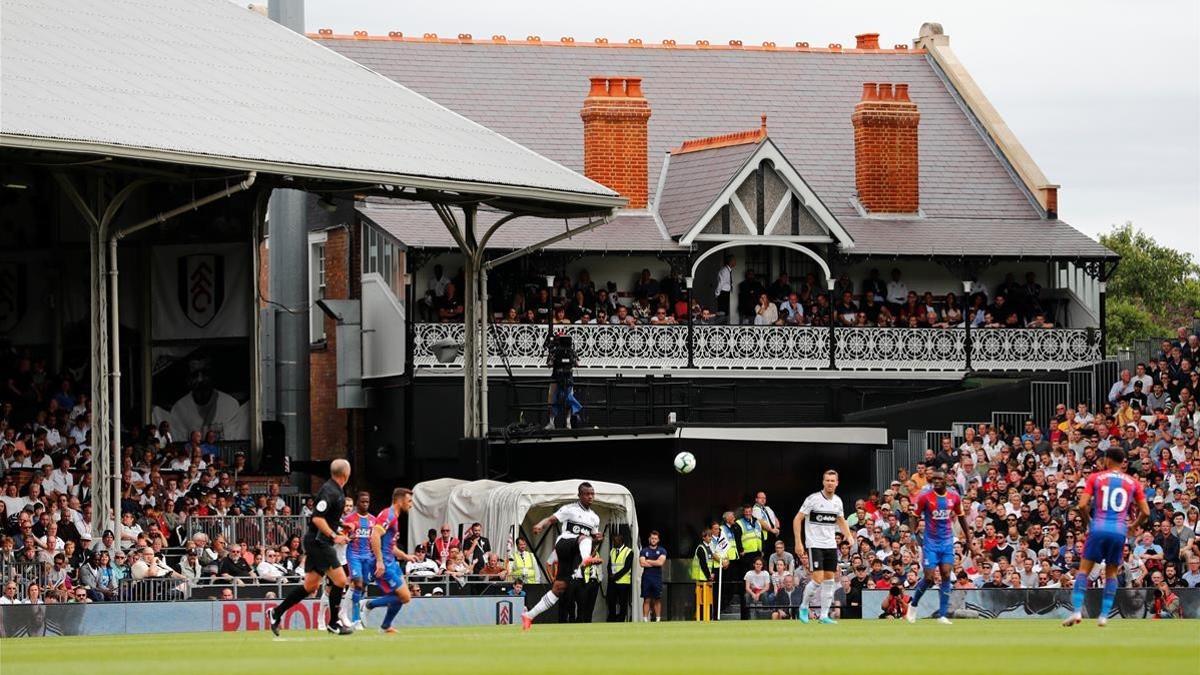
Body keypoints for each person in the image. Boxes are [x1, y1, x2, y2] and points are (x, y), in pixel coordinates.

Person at [1063, 447, 1150, 627]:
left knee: (1083, 571)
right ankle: (1103, 616)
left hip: (1099, 527)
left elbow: (1081, 505)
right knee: (1111, 573)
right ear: (1122, 462)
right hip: (1119, 531)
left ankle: (1077, 611)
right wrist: (1133, 526)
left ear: (1107, 460)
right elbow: (1146, 512)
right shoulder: (1133, 482)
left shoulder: (1095, 477)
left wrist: (1090, 523)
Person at [269, 458, 354, 636]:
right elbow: (317, 518)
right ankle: (333, 623)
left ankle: (276, 613)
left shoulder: (335, 490)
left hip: (318, 541)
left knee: (310, 586)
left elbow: (327, 517)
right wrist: (334, 535)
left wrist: (341, 525)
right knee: (340, 580)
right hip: (319, 542)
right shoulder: (330, 491)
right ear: (346, 474)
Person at [522, 483, 601, 630]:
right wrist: (540, 524)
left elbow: (593, 540)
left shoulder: (595, 518)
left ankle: (529, 616)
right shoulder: (570, 509)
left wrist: (597, 539)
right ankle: (586, 560)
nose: (590, 496)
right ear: (579, 495)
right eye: (586, 494)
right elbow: (551, 519)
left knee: (559, 588)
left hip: (576, 552)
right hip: (564, 544)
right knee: (584, 538)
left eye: (592, 494)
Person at [906, 470, 971, 625]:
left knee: (946, 574)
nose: (936, 481)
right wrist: (914, 535)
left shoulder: (953, 497)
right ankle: (913, 605)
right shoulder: (925, 497)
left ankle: (943, 615)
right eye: (933, 479)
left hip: (947, 541)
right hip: (931, 542)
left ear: (945, 480)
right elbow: (914, 516)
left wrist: (968, 539)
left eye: (939, 479)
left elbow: (961, 518)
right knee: (928, 578)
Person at [793, 469, 855, 624]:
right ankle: (804, 607)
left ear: (837, 483)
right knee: (818, 578)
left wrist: (848, 536)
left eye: (832, 480)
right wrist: (798, 542)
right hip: (815, 544)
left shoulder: (837, 501)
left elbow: (841, 520)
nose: (830, 483)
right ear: (823, 482)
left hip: (830, 545)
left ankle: (824, 615)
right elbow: (797, 519)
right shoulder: (813, 499)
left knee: (830, 580)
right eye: (827, 480)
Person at [362, 488, 415, 634]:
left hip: (391, 561)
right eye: (409, 501)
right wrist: (379, 561)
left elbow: (390, 545)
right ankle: (368, 605)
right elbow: (375, 535)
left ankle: (385, 626)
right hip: (384, 562)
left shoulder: (394, 517)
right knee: (404, 596)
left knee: (403, 596)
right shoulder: (388, 515)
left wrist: (405, 556)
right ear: (400, 500)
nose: (411, 504)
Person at [342, 491, 374, 630]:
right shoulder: (349, 519)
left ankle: (355, 607)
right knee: (358, 584)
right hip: (354, 555)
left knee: (364, 585)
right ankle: (355, 619)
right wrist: (348, 538)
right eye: (362, 502)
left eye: (367, 502)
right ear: (357, 503)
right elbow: (341, 537)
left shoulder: (373, 520)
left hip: (368, 556)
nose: (365, 504)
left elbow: (376, 538)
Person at [639, 530, 667, 621]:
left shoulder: (662, 550)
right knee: (646, 599)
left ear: (658, 540)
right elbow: (642, 563)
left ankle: (658, 619)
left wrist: (649, 561)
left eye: (655, 539)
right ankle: (645, 619)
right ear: (649, 539)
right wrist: (655, 562)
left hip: (657, 578)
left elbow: (660, 563)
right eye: (652, 538)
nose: (653, 540)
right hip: (646, 578)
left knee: (657, 599)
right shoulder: (644, 550)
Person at [606, 532, 633, 622]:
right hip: (612, 581)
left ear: (621, 541)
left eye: (616, 541)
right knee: (611, 601)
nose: (614, 542)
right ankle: (612, 618)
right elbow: (609, 565)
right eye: (613, 540)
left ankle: (621, 619)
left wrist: (616, 576)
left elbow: (627, 567)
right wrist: (610, 575)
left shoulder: (629, 551)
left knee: (622, 602)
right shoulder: (612, 551)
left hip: (623, 582)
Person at [715, 255, 734, 319]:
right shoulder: (725, 270)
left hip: (726, 293)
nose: (735, 262)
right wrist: (717, 293)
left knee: (725, 312)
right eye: (734, 260)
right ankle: (721, 326)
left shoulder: (728, 270)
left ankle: (724, 325)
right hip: (723, 293)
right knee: (722, 313)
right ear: (731, 261)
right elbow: (721, 283)